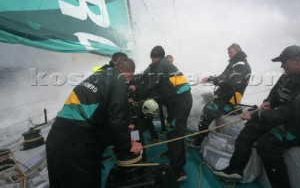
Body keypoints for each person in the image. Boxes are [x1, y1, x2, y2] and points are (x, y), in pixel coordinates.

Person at [212, 45, 300, 188]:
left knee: (267, 144)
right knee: (252, 127)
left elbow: (291, 111)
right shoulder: (288, 74)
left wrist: (257, 116)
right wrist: (268, 102)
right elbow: (274, 93)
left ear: (297, 60)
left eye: (284, 62)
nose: (281, 66)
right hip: (287, 119)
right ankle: (235, 169)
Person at [46, 57, 142, 188]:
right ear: (129, 75)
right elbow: (117, 120)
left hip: (56, 137)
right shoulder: (118, 80)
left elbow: (100, 114)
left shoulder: (98, 75)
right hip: (77, 144)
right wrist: (127, 145)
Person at [141, 45, 193, 182]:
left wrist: (137, 92)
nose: (152, 60)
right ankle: (172, 153)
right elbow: (149, 72)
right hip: (174, 102)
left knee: (176, 133)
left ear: (157, 57)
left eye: (153, 58)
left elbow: (151, 85)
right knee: (171, 128)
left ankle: (178, 170)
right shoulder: (160, 64)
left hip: (181, 103)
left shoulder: (163, 65)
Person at [190, 43, 251, 146]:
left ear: (238, 51)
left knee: (209, 111)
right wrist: (210, 79)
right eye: (228, 53)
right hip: (224, 96)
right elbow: (224, 76)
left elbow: (230, 80)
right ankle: (200, 134)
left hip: (231, 99)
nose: (229, 54)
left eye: (231, 52)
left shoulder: (241, 64)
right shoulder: (234, 63)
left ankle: (198, 141)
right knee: (207, 109)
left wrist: (212, 80)